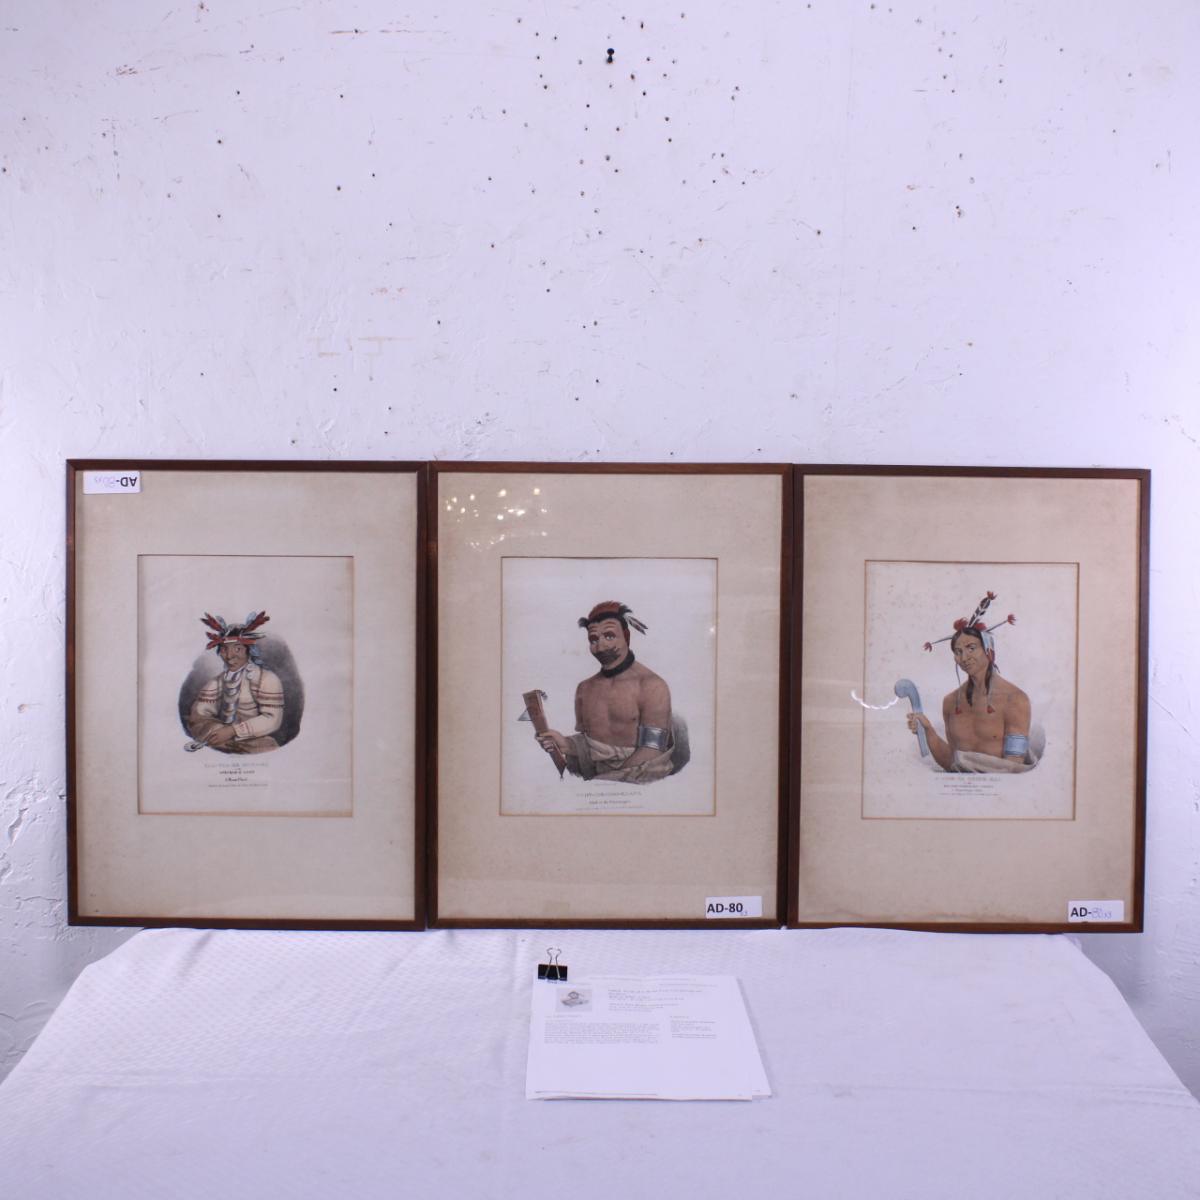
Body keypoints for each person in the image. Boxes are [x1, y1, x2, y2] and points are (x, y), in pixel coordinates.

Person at [536, 601, 685, 784]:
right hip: (594, 778)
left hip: (640, 777)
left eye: (609, 636)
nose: (601, 647)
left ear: (626, 637)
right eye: (593, 640)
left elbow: (652, 751)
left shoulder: (652, 686)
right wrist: (567, 745)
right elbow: (590, 743)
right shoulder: (584, 688)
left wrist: (606, 782)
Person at [906, 591, 1036, 773]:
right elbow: (952, 762)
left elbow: (1014, 766)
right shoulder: (950, 702)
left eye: (971, 648)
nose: (964, 657)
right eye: (958, 652)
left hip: (1000, 789)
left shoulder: (1015, 699)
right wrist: (928, 730)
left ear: (988, 650)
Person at [187, 611, 284, 754]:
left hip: (256, 742)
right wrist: (217, 731)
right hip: (221, 740)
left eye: (237, 649)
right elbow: (199, 714)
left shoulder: (267, 679)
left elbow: (272, 719)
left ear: (249, 651)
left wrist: (233, 731)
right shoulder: (217, 682)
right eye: (224, 650)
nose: (229, 656)